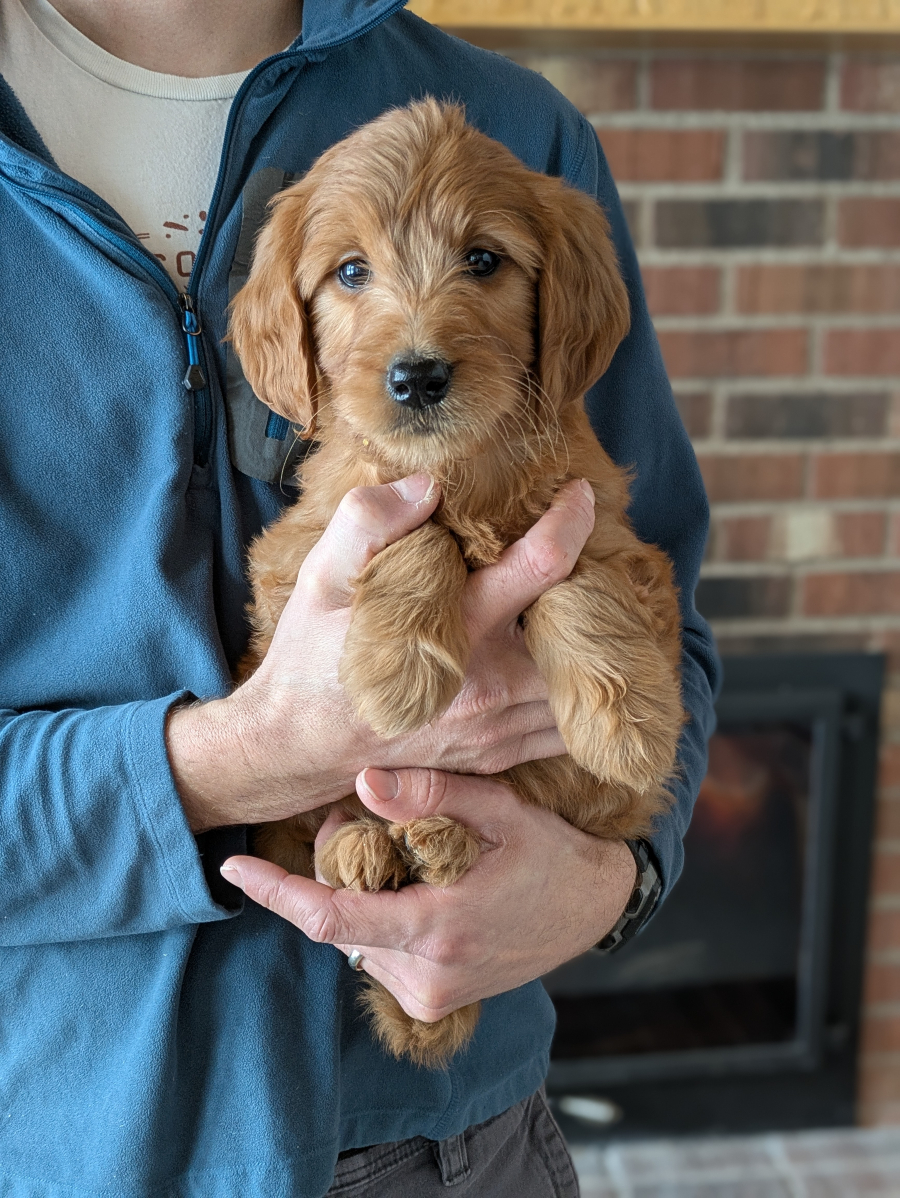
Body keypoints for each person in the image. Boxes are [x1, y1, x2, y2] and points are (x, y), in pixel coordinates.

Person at [0, 1, 719, 1194]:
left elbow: (669, 618)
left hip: (458, 1140)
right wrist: (247, 758)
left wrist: (611, 884)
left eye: (481, 263)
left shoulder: (522, 128)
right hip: (59, 1140)